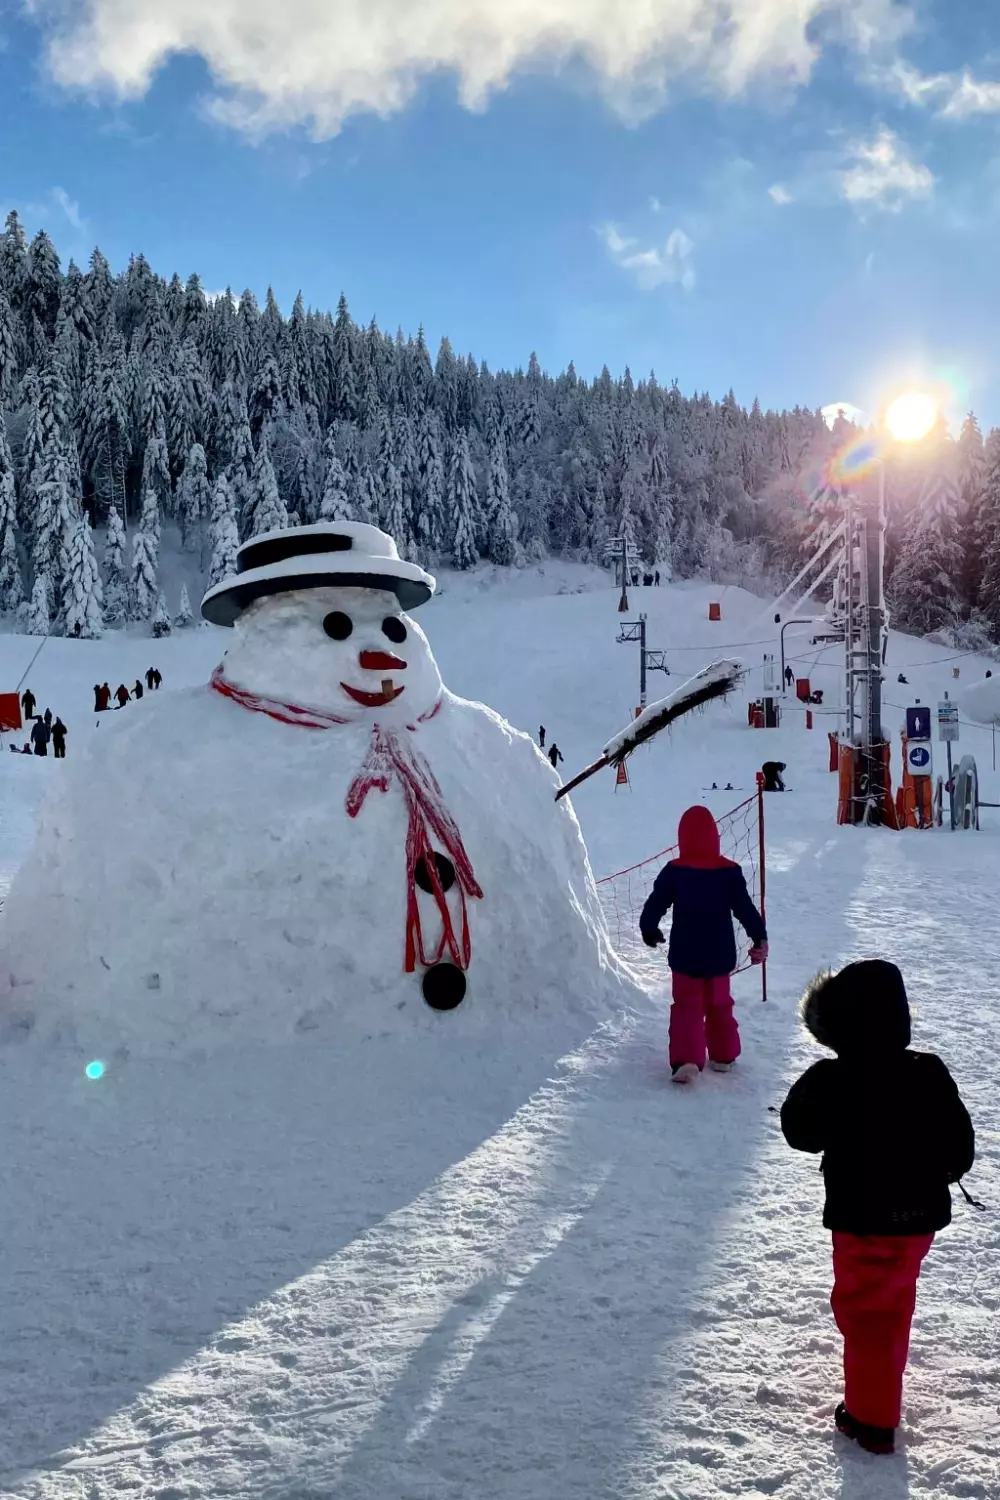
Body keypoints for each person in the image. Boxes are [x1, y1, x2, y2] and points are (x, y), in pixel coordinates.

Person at [781, 961, 974, 1455]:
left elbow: (799, 1133)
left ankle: (871, 1420)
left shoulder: (832, 1078)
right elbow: (961, 1149)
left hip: (861, 1219)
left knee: (866, 1313)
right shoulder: (927, 1070)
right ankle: (882, 1386)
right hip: (918, 1222)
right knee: (891, 1301)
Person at [639, 805, 767, 1083]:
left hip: (686, 954)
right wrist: (759, 935)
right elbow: (745, 908)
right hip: (720, 954)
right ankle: (723, 1055)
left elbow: (656, 902)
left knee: (687, 1006)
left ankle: (687, 1060)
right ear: (714, 836)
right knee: (720, 1003)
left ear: (682, 837)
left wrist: (649, 928)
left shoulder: (674, 871)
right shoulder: (729, 872)